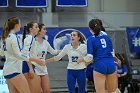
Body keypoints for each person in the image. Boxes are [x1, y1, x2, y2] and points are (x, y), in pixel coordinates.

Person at [0, 17, 44, 93]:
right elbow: (19, 55)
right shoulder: (13, 37)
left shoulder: (5, 37)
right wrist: (35, 60)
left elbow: (2, 53)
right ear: (16, 25)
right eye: (19, 24)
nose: (20, 26)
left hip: (7, 70)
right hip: (14, 70)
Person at [77, 19, 118, 93]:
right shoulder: (107, 37)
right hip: (111, 64)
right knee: (113, 91)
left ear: (90, 29)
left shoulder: (90, 39)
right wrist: (117, 61)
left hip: (100, 65)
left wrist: (81, 60)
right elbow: (112, 54)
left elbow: (89, 57)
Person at [34, 23, 59, 93]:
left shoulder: (45, 42)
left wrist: (65, 49)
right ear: (38, 30)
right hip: (34, 69)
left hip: (43, 69)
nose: (46, 31)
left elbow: (54, 52)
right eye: (44, 29)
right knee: (37, 91)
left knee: (47, 91)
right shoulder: (32, 42)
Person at [22, 22, 44, 93]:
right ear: (31, 29)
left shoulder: (31, 38)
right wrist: (30, 68)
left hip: (30, 65)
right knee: (34, 90)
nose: (38, 29)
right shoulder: (30, 38)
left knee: (37, 90)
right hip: (27, 65)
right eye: (36, 27)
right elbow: (25, 54)